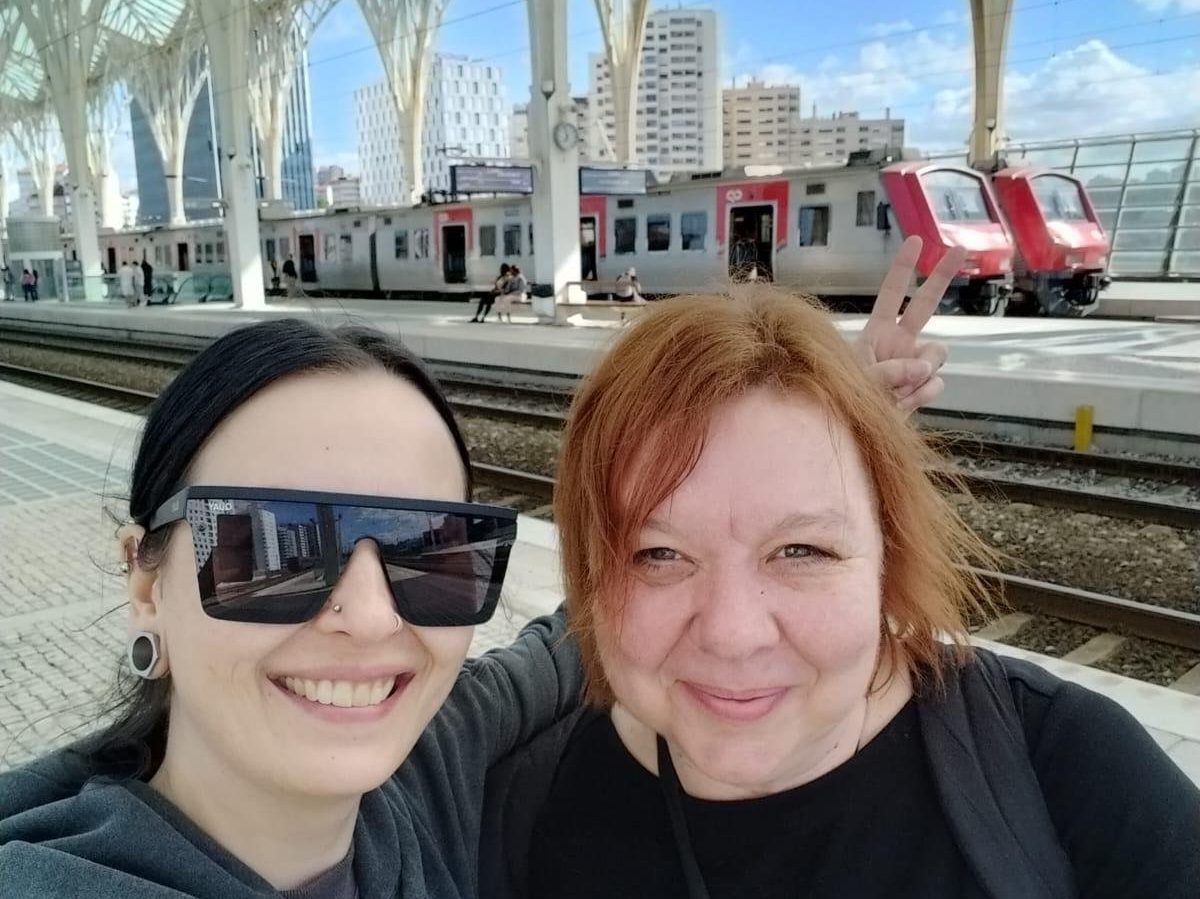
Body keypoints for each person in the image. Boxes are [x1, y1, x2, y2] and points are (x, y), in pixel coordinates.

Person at [480, 237, 1200, 898]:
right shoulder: (526, 810)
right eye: (657, 554)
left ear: (889, 555)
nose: (733, 634)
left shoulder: (1066, 770)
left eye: (803, 551)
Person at [0, 318, 582, 897]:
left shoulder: (432, 759)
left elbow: (584, 633)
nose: (372, 618)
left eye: (428, 550)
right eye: (271, 549)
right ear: (147, 589)